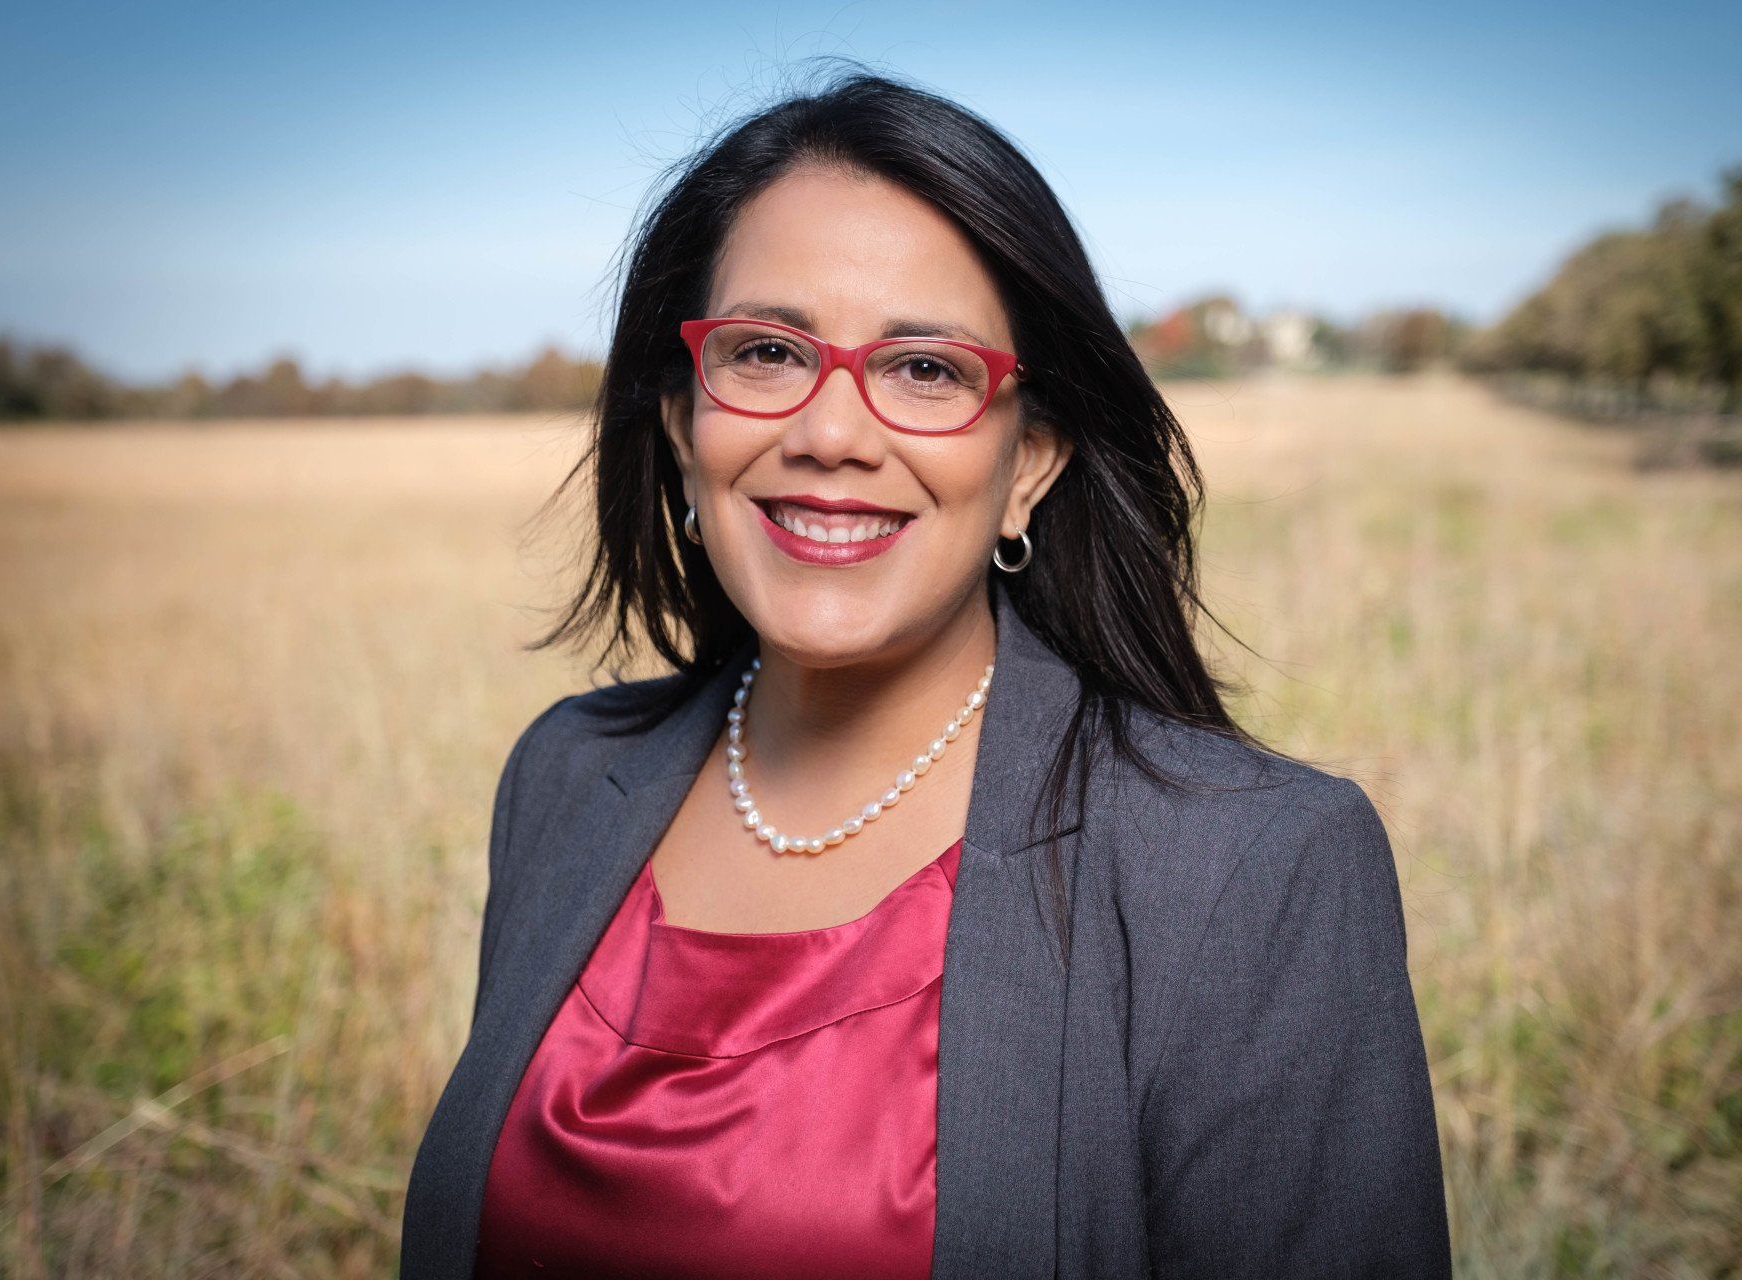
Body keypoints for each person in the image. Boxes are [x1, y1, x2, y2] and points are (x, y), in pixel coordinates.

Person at [402, 65, 1451, 1280]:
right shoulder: (567, 777)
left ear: (1031, 462)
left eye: (926, 371)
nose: (832, 432)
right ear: (686, 424)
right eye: (764, 351)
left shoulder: (1253, 864)